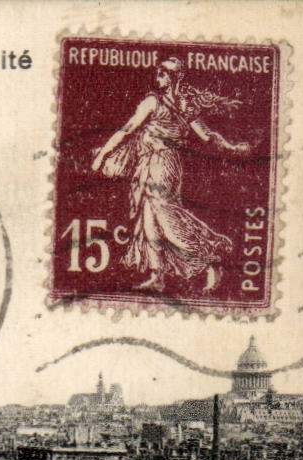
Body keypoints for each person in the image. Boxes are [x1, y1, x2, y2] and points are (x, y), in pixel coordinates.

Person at [90, 56, 251, 292]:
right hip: (162, 164)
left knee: (165, 216)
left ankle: (209, 256)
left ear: (173, 77)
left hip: (160, 164)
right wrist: (231, 147)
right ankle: (157, 276)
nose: (159, 76)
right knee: (149, 218)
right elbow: (208, 136)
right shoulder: (185, 105)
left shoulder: (153, 102)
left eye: (163, 73)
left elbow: (127, 130)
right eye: (159, 72)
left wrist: (102, 154)